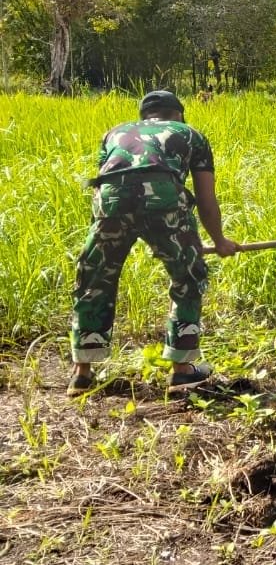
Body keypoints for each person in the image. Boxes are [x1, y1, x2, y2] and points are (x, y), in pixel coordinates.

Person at [68, 90, 239, 397]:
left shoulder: (115, 133)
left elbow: (108, 180)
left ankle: (82, 372)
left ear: (144, 116)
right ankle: (182, 370)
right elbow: (205, 199)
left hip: (110, 203)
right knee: (188, 276)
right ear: (178, 114)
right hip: (164, 199)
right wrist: (219, 241)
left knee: (95, 277)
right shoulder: (190, 134)